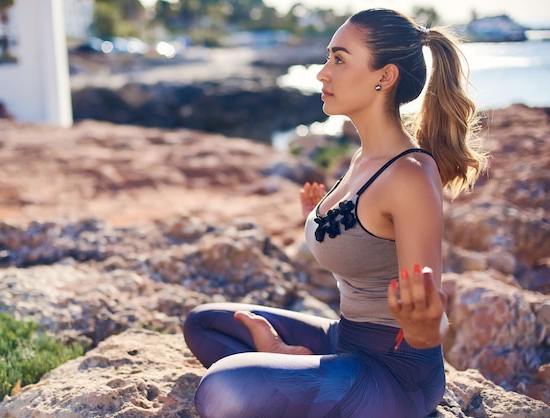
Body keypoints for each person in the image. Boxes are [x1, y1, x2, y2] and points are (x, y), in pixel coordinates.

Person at [183, 8, 487, 418]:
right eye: (329, 58)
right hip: (345, 338)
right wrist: (315, 218)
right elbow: (362, 251)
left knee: (221, 389)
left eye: (339, 59)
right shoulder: (364, 158)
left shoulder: (409, 175)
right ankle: (291, 358)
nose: (322, 73)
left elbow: (430, 315)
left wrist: (425, 327)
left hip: (396, 372)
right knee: (203, 323)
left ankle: (291, 362)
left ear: (386, 76)